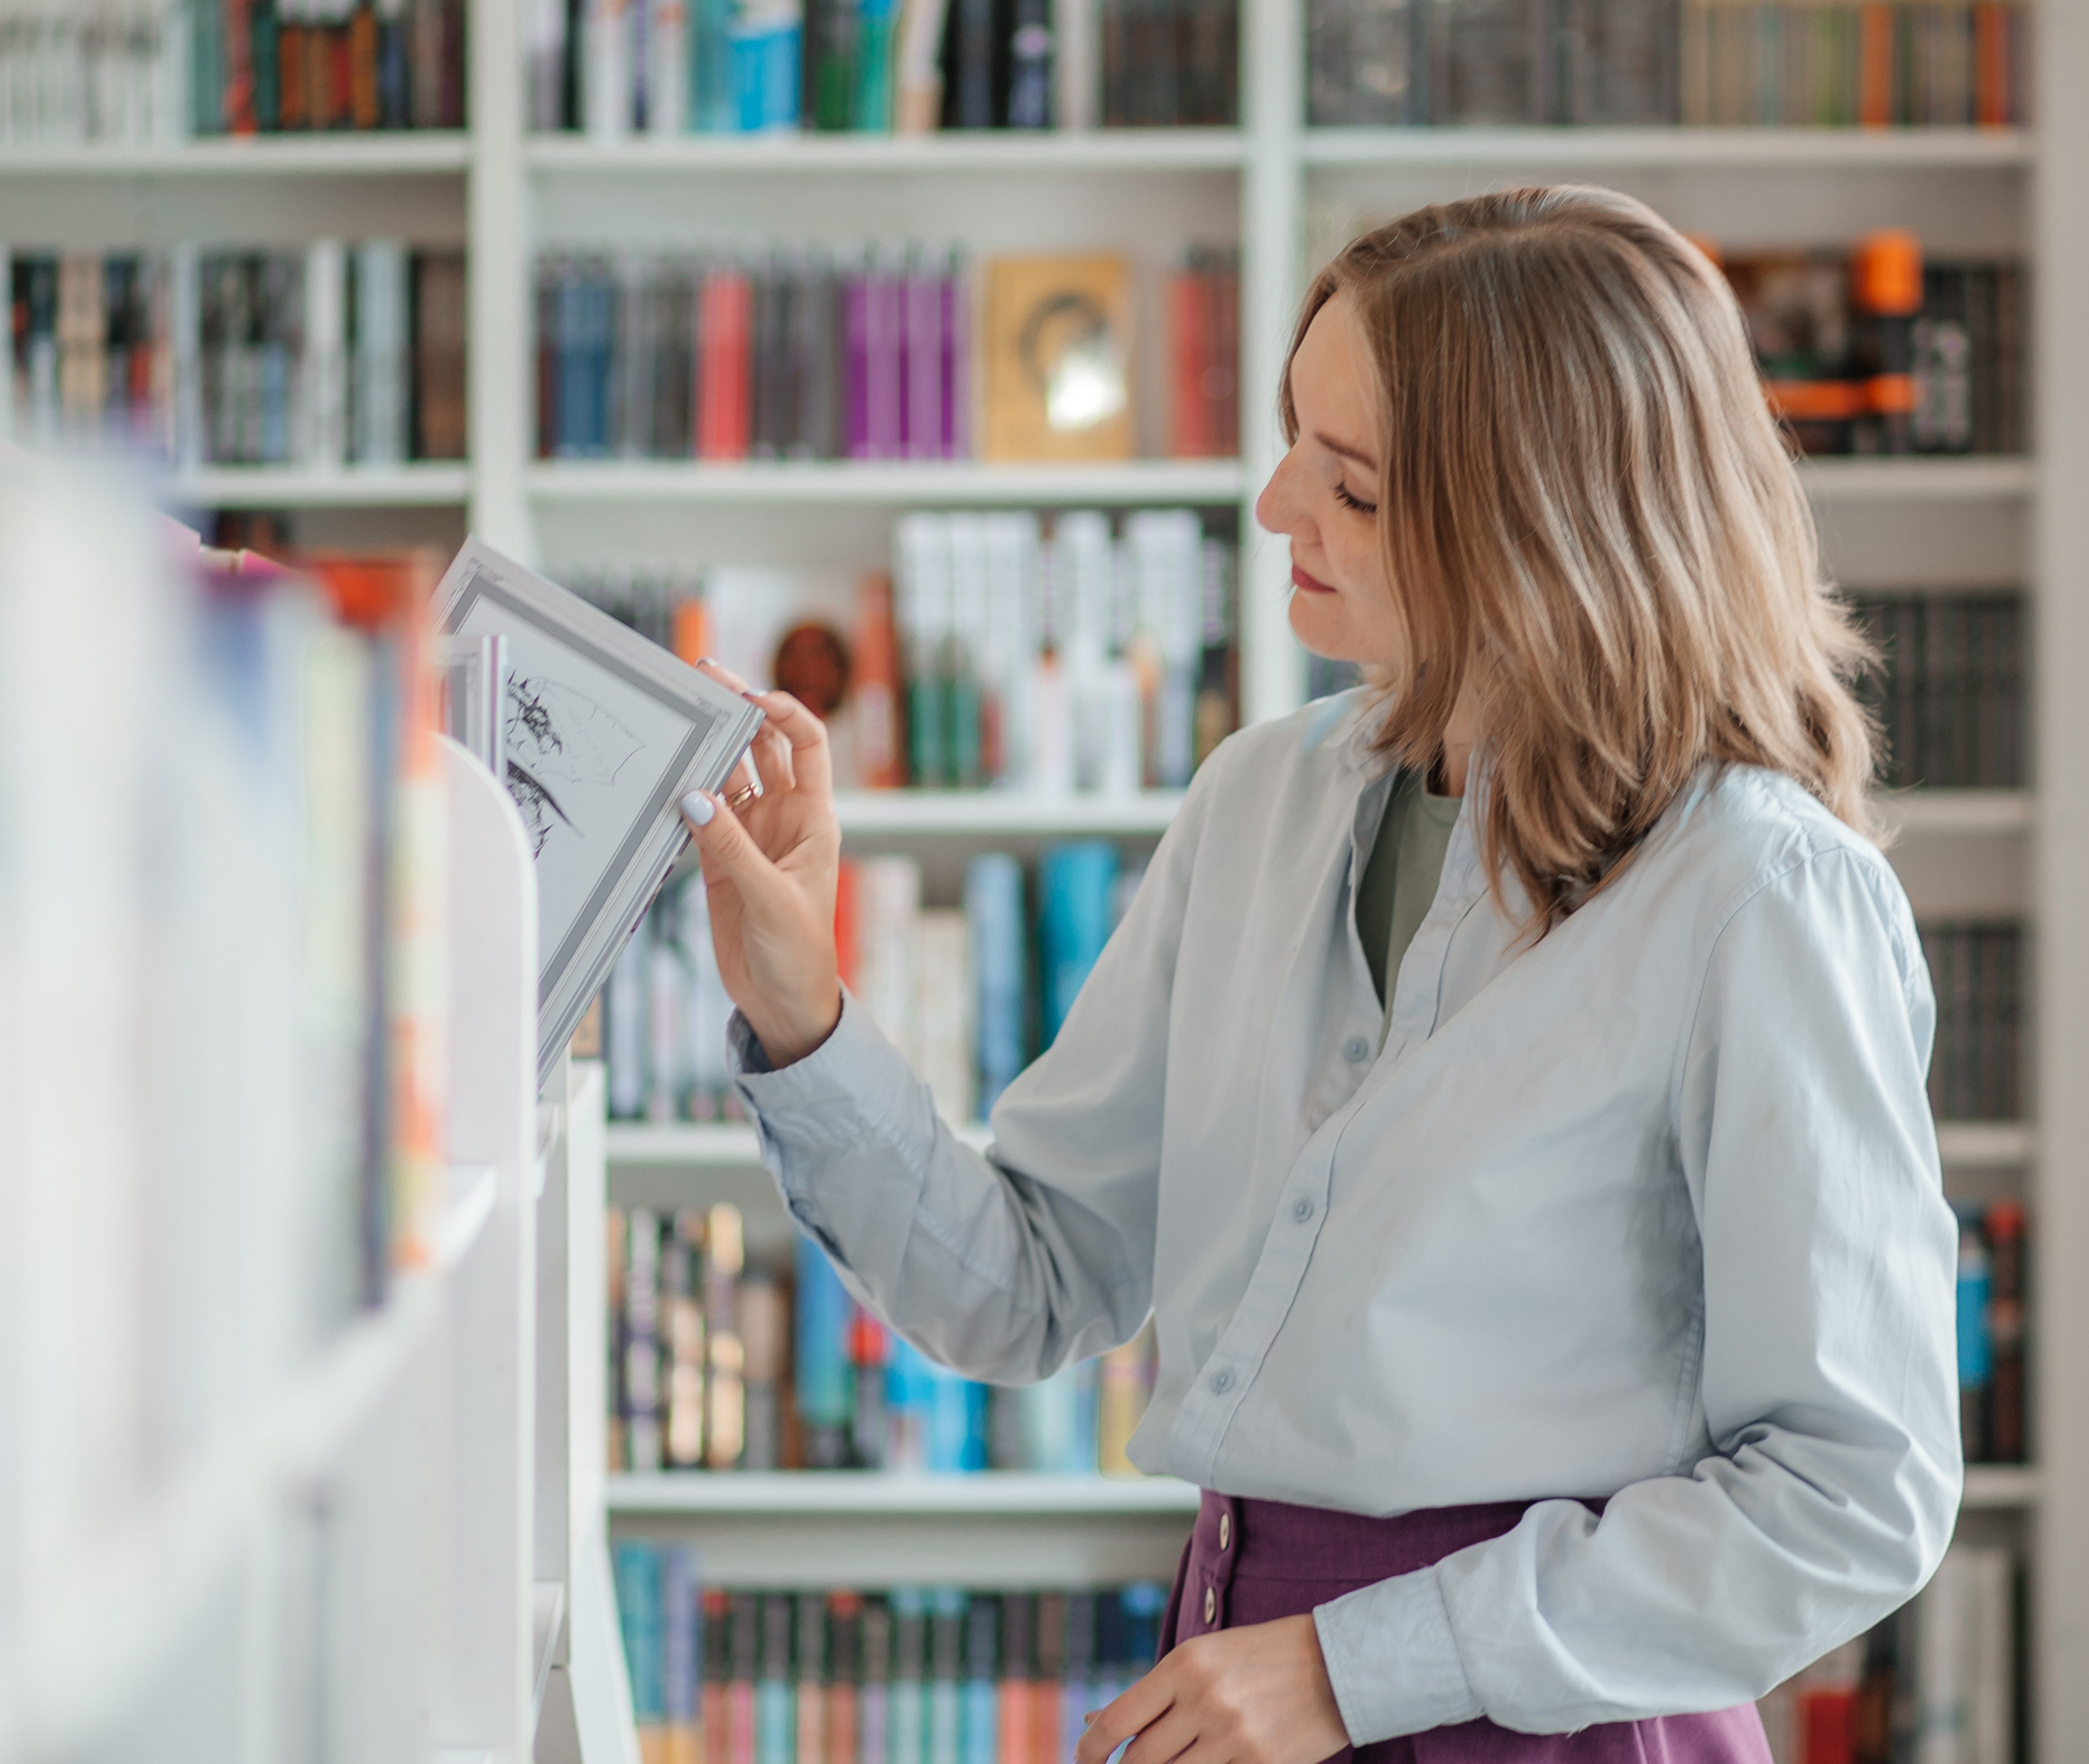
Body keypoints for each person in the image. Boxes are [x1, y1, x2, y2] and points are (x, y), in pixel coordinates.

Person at [678, 187, 1959, 1764]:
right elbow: (1026, 1285)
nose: (1278, 504)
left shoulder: (1758, 890)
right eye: (1294, 437)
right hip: (1230, 1678)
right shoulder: (1258, 800)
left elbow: (1853, 1493)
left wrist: (1359, 1668)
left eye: (1348, 484)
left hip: (1541, 1722)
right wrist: (801, 1009)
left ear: (1535, 528)